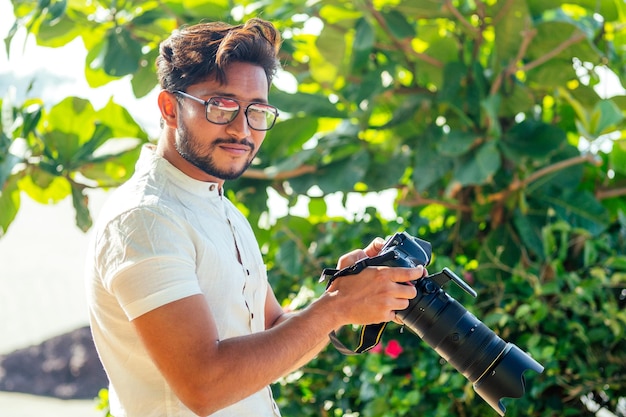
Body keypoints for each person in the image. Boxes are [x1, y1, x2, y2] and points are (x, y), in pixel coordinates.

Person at [85, 17, 424, 417]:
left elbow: (274, 333)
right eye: (222, 105)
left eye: (256, 110)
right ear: (169, 107)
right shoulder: (146, 219)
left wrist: (346, 293)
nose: (241, 129)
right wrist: (335, 307)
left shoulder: (218, 206)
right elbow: (204, 386)